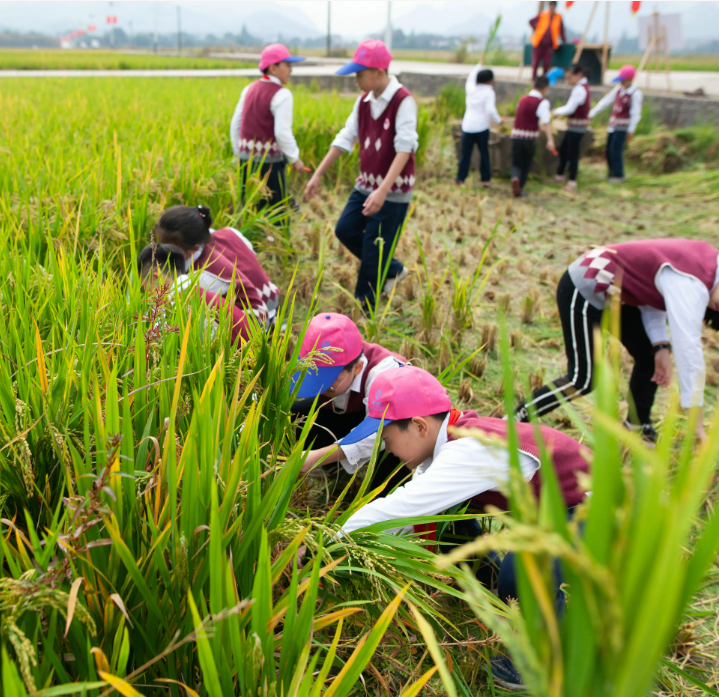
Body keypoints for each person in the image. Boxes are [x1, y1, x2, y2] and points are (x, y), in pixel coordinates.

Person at [333, 366, 591, 689]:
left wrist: (329, 543)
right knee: (444, 520)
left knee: (524, 568)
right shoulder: (449, 443)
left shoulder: (467, 450)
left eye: (387, 439)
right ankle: (492, 586)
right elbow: (410, 521)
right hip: (555, 509)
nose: (388, 450)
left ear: (419, 426)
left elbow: (399, 509)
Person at [513, 239, 719, 443]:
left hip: (620, 297)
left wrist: (660, 346)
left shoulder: (708, 267)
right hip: (587, 286)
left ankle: (635, 428)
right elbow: (688, 349)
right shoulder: (694, 281)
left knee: (650, 359)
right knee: (583, 379)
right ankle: (511, 421)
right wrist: (696, 421)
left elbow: (652, 296)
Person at [303, 39, 419, 313]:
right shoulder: (363, 102)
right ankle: (393, 269)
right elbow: (346, 138)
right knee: (345, 229)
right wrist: (317, 174)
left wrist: (383, 191)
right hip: (366, 184)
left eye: (359, 74)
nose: (355, 80)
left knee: (373, 246)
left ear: (379, 72)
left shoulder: (403, 101)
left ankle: (364, 310)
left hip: (393, 190)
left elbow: (405, 149)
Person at [291, 312, 408, 489]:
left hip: (388, 429)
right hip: (349, 417)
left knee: (395, 446)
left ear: (357, 368)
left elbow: (377, 433)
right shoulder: (331, 370)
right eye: (314, 376)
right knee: (296, 413)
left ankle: (382, 493)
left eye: (329, 380)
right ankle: (334, 467)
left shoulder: (386, 373)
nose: (321, 387)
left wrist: (317, 457)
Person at [154, 205, 281, 329]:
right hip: (270, 296)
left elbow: (170, 303)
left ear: (194, 248)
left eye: (171, 249)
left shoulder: (202, 276)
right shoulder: (227, 233)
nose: (164, 251)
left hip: (255, 321)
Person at [229, 43, 308, 214]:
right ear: (273, 68)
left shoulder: (249, 89)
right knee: (277, 212)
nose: (291, 70)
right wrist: (295, 158)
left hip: (245, 161)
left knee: (250, 209)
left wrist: (240, 152)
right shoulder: (282, 94)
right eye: (287, 65)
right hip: (270, 164)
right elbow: (282, 133)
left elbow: (235, 124)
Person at [136, 244, 252, 345]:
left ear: (157, 278)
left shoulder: (177, 305)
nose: (148, 295)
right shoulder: (197, 293)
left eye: (145, 288)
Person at [589, 65, 642, 183]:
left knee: (616, 150)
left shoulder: (635, 93)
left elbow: (635, 114)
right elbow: (606, 101)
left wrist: (631, 130)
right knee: (609, 149)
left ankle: (619, 175)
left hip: (623, 127)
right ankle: (611, 172)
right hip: (613, 125)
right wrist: (592, 113)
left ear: (630, 80)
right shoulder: (619, 89)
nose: (621, 83)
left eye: (623, 80)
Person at [510, 75, 556, 198]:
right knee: (526, 164)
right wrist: (550, 140)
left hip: (516, 136)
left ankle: (514, 177)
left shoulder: (522, 99)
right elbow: (546, 122)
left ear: (532, 86)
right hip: (529, 139)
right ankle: (520, 188)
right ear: (545, 89)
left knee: (515, 162)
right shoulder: (542, 102)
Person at [457, 62, 501, 187]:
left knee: (465, 155)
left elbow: (470, 77)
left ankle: (460, 179)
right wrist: (498, 120)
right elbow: (490, 110)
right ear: (490, 80)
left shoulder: (471, 88)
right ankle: (485, 179)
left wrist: (477, 66)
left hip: (468, 126)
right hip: (482, 127)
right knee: (484, 154)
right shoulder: (488, 92)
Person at [552, 63, 591, 192]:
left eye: (569, 78)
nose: (568, 81)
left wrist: (555, 112)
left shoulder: (580, 89)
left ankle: (572, 181)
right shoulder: (581, 87)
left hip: (577, 127)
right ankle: (560, 175)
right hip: (574, 126)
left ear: (579, 75)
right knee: (564, 150)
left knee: (572, 153)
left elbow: (570, 108)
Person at [528, 1, 565, 79]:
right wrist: (537, 29)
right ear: (549, 6)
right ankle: (534, 78)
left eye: (553, 6)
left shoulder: (558, 17)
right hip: (539, 42)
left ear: (555, 6)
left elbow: (561, 30)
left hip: (549, 44)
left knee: (546, 63)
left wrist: (564, 40)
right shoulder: (543, 14)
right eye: (551, 6)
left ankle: (544, 79)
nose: (552, 7)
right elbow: (531, 21)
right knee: (536, 62)